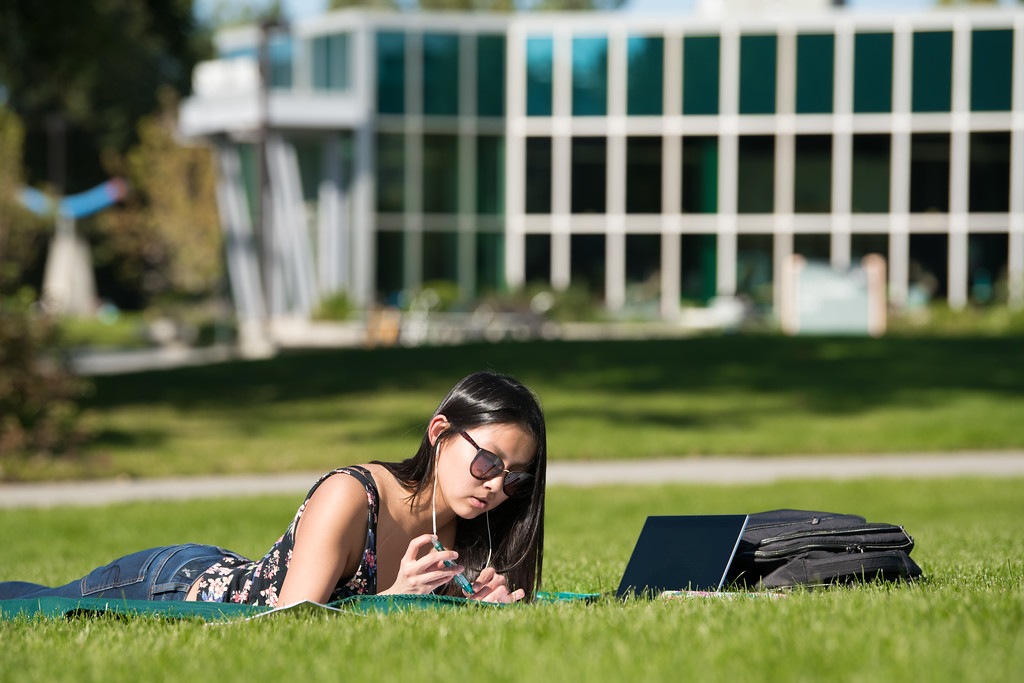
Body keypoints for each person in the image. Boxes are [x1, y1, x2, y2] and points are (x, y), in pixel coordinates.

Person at [0, 371, 546, 606]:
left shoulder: (469, 527)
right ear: (440, 433)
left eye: (514, 477)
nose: (498, 486)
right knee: (31, 605)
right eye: (487, 463)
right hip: (172, 584)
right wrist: (395, 602)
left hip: (224, 567)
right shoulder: (352, 495)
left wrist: (474, 603)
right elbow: (290, 621)